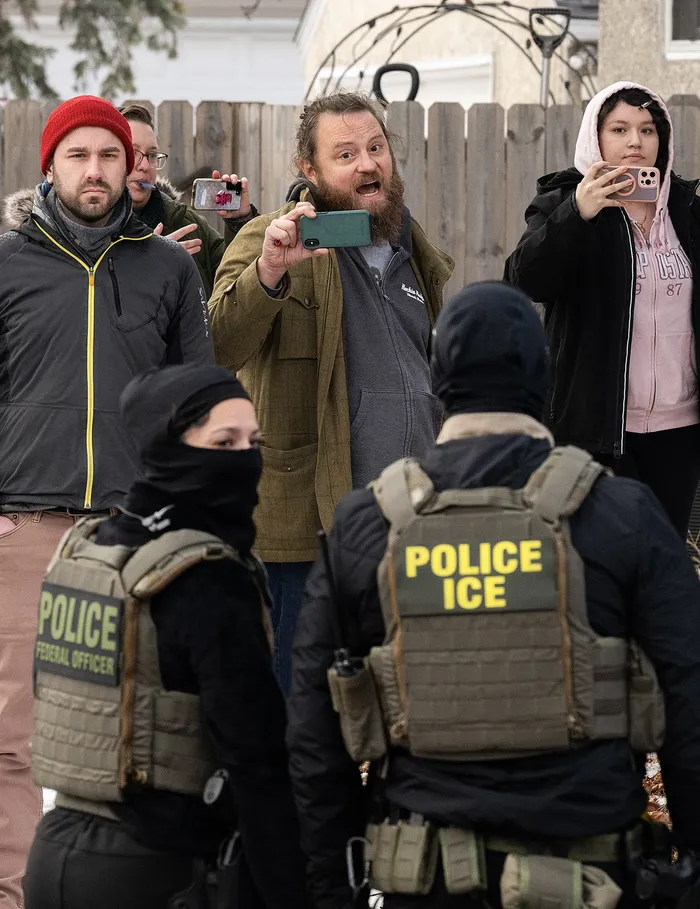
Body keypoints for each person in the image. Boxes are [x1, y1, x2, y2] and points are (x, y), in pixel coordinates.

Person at [287, 281, 700, 909]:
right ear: (544, 375)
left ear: (438, 378)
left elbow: (314, 738)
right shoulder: (624, 515)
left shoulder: (365, 526)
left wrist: (329, 888)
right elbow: (690, 706)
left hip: (420, 884)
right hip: (595, 884)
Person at [0, 95, 212, 909]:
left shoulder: (167, 270)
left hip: (133, 531)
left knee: (141, 725)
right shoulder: (9, 265)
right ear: (50, 166)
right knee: (10, 737)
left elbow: (199, 398)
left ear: (132, 168)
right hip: (25, 521)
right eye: (79, 155)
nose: (96, 171)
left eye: (110, 156)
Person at [23, 364, 310, 909]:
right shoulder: (207, 575)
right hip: (156, 868)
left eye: (254, 440)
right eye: (224, 441)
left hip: (54, 854)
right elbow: (256, 759)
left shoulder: (87, 552)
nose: (246, 458)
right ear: (168, 446)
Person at [209, 90, 454, 693]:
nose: (368, 164)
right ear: (310, 171)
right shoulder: (275, 239)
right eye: (346, 154)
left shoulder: (412, 253)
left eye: (375, 149)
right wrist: (269, 271)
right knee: (303, 704)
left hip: (411, 522)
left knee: (404, 702)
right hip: (310, 527)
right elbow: (216, 343)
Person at [505, 81, 700, 539]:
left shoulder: (687, 209)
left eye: (648, 130)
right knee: (602, 563)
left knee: (662, 559)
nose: (636, 141)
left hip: (680, 428)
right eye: (620, 129)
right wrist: (578, 211)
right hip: (600, 429)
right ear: (597, 138)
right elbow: (524, 280)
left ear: (663, 140)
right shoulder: (562, 201)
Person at [119, 103, 258, 297]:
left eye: (151, 155)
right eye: (133, 154)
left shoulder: (188, 226)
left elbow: (237, 290)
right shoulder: (90, 231)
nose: (144, 166)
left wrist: (240, 222)